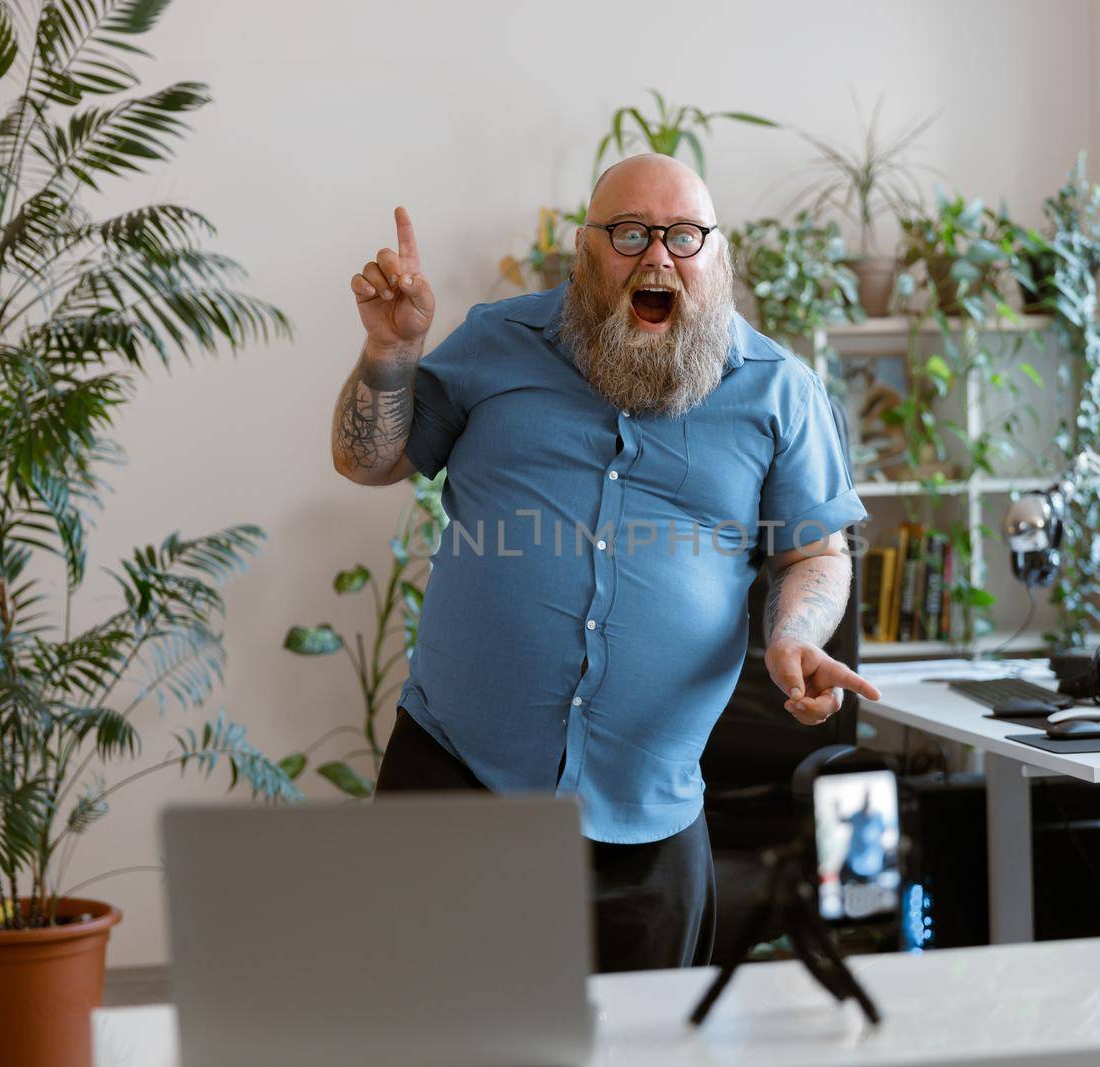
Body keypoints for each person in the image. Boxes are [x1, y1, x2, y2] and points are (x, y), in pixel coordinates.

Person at [331, 153, 881, 973]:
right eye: (629, 233)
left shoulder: (778, 391)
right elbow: (367, 460)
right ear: (585, 251)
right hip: (455, 779)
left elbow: (815, 551)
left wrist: (795, 635)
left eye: (685, 236)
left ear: (718, 256)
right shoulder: (497, 341)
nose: (658, 256)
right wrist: (390, 351)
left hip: (646, 821)